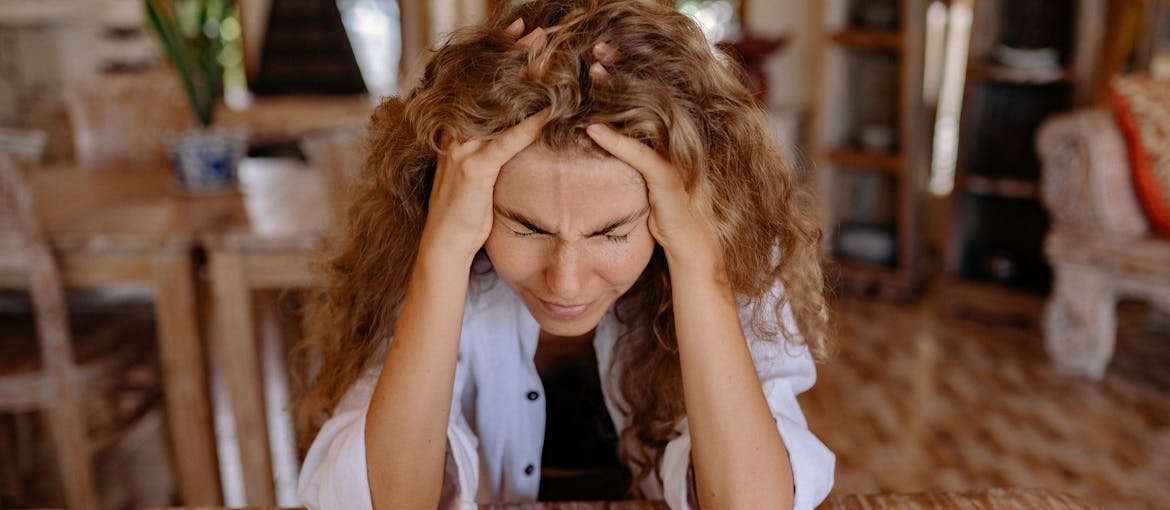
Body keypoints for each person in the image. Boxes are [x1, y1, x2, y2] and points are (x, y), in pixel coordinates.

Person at [294, 0, 834, 508]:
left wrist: (698, 264)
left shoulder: (729, 248)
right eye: (527, 228)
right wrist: (442, 251)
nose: (566, 284)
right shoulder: (424, 245)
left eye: (612, 233)